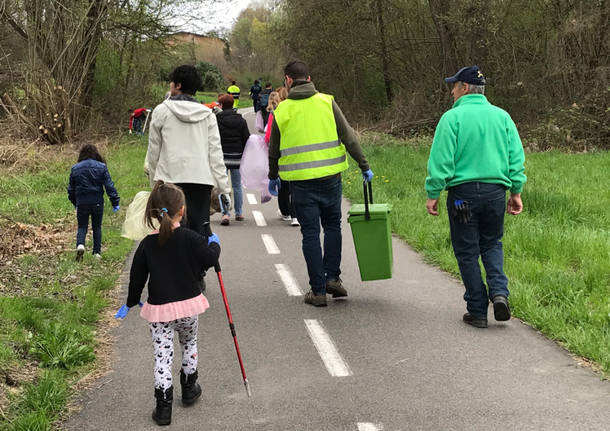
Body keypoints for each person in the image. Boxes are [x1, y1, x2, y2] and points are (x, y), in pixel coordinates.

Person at [425, 65, 526, 329]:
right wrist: (515, 191)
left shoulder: (451, 119)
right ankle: (499, 293)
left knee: (467, 250)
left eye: (455, 86)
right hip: (495, 193)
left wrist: (433, 193)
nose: (451, 91)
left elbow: (441, 161)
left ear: (465, 88)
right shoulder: (502, 117)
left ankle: (478, 310)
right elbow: (515, 158)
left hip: (462, 196)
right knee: (492, 243)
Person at [114, 182, 221, 426]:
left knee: (163, 356)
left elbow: (137, 277)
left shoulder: (147, 245)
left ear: (151, 212)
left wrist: (131, 302)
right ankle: (189, 388)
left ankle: (163, 409)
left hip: (160, 311)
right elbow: (210, 259)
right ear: (182, 211)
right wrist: (214, 243)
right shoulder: (191, 238)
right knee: (189, 343)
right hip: (188, 307)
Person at [268, 60, 373, 307]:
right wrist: (364, 165)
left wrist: (273, 175)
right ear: (310, 77)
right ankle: (333, 278)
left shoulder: (281, 111)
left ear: (288, 81)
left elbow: (274, 150)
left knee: (311, 234)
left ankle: (317, 292)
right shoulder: (327, 102)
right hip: (330, 180)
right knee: (333, 226)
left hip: (301, 183)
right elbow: (348, 136)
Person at [147, 65, 231, 236]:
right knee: (198, 234)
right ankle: (195, 263)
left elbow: (153, 152)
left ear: (177, 85)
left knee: (170, 232)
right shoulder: (208, 115)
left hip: (169, 182)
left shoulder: (161, 111)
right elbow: (215, 155)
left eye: (171, 83)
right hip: (200, 182)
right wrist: (224, 188)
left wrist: (154, 185)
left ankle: (172, 263)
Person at [68, 144, 120, 261]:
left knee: (82, 226)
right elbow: (109, 186)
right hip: (97, 202)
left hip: (82, 202)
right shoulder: (101, 167)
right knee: (97, 227)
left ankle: (80, 244)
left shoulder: (75, 168)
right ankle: (96, 252)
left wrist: (75, 202)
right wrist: (115, 202)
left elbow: (71, 189)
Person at [264, 90, 298, 226]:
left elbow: (269, 137)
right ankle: (296, 214)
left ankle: (286, 212)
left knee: (283, 185)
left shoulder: (276, 114)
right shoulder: (296, 112)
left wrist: (272, 172)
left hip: (281, 153)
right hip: (295, 152)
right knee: (295, 185)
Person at [216, 94, 250, 225]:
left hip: (222, 156)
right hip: (237, 157)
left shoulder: (217, 120)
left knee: (223, 186)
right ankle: (239, 212)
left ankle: (225, 213)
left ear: (222, 105)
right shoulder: (241, 121)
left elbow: (215, 138)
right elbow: (246, 138)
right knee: (237, 186)